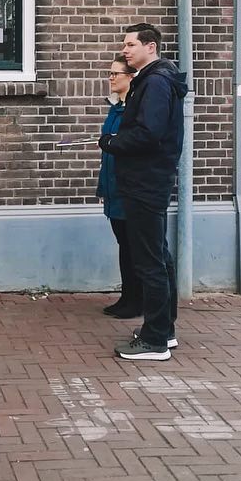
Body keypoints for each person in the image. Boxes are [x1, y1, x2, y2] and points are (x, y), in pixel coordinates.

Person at [98, 22, 188, 361]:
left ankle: (154, 341)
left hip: (145, 182)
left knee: (150, 261)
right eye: (125, 44)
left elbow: (148, 133)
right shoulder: (155, 81)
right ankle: (164, 329)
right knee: (158, 258)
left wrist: (112, 142)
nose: (125, 50)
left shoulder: (155, 83)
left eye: (131, 44)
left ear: (150, 47)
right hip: (150, 181)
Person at [96, 55, 142, 318]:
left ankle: (138, 300)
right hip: (113, 187)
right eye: (110, 73)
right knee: (123, 245)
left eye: (116, 73)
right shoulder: (115, 108)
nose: (111, 78)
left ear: (131, 77)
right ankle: (127, 296)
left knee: (133, 245)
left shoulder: (133, 111)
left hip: (127, 188)